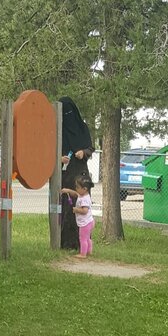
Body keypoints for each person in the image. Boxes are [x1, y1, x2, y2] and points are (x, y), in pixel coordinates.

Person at [60, 97, 95, 251]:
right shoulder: (58, 130)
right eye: (64, 113)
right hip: (66, 174)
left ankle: (83, 244)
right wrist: (59, 158)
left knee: (82, 207)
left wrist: (83, 152)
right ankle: (66, 243)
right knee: (67, 209)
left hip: (81, 174)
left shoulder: (82, 128)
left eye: (70, 112)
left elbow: (90, 148)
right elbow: (50, 151)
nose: (68, 116)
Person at [63, 173, 95, 257]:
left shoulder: (84, 199)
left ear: (84, 189)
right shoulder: (82, 195)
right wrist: (68, 191)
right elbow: (75, 194)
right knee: (88, 238)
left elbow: (85, 210)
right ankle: (89, 251)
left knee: (83, 238)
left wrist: (76, 209)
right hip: (89, 221)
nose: (76, 189)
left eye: (77, 187)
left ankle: (83, 254)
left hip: (85, 223)